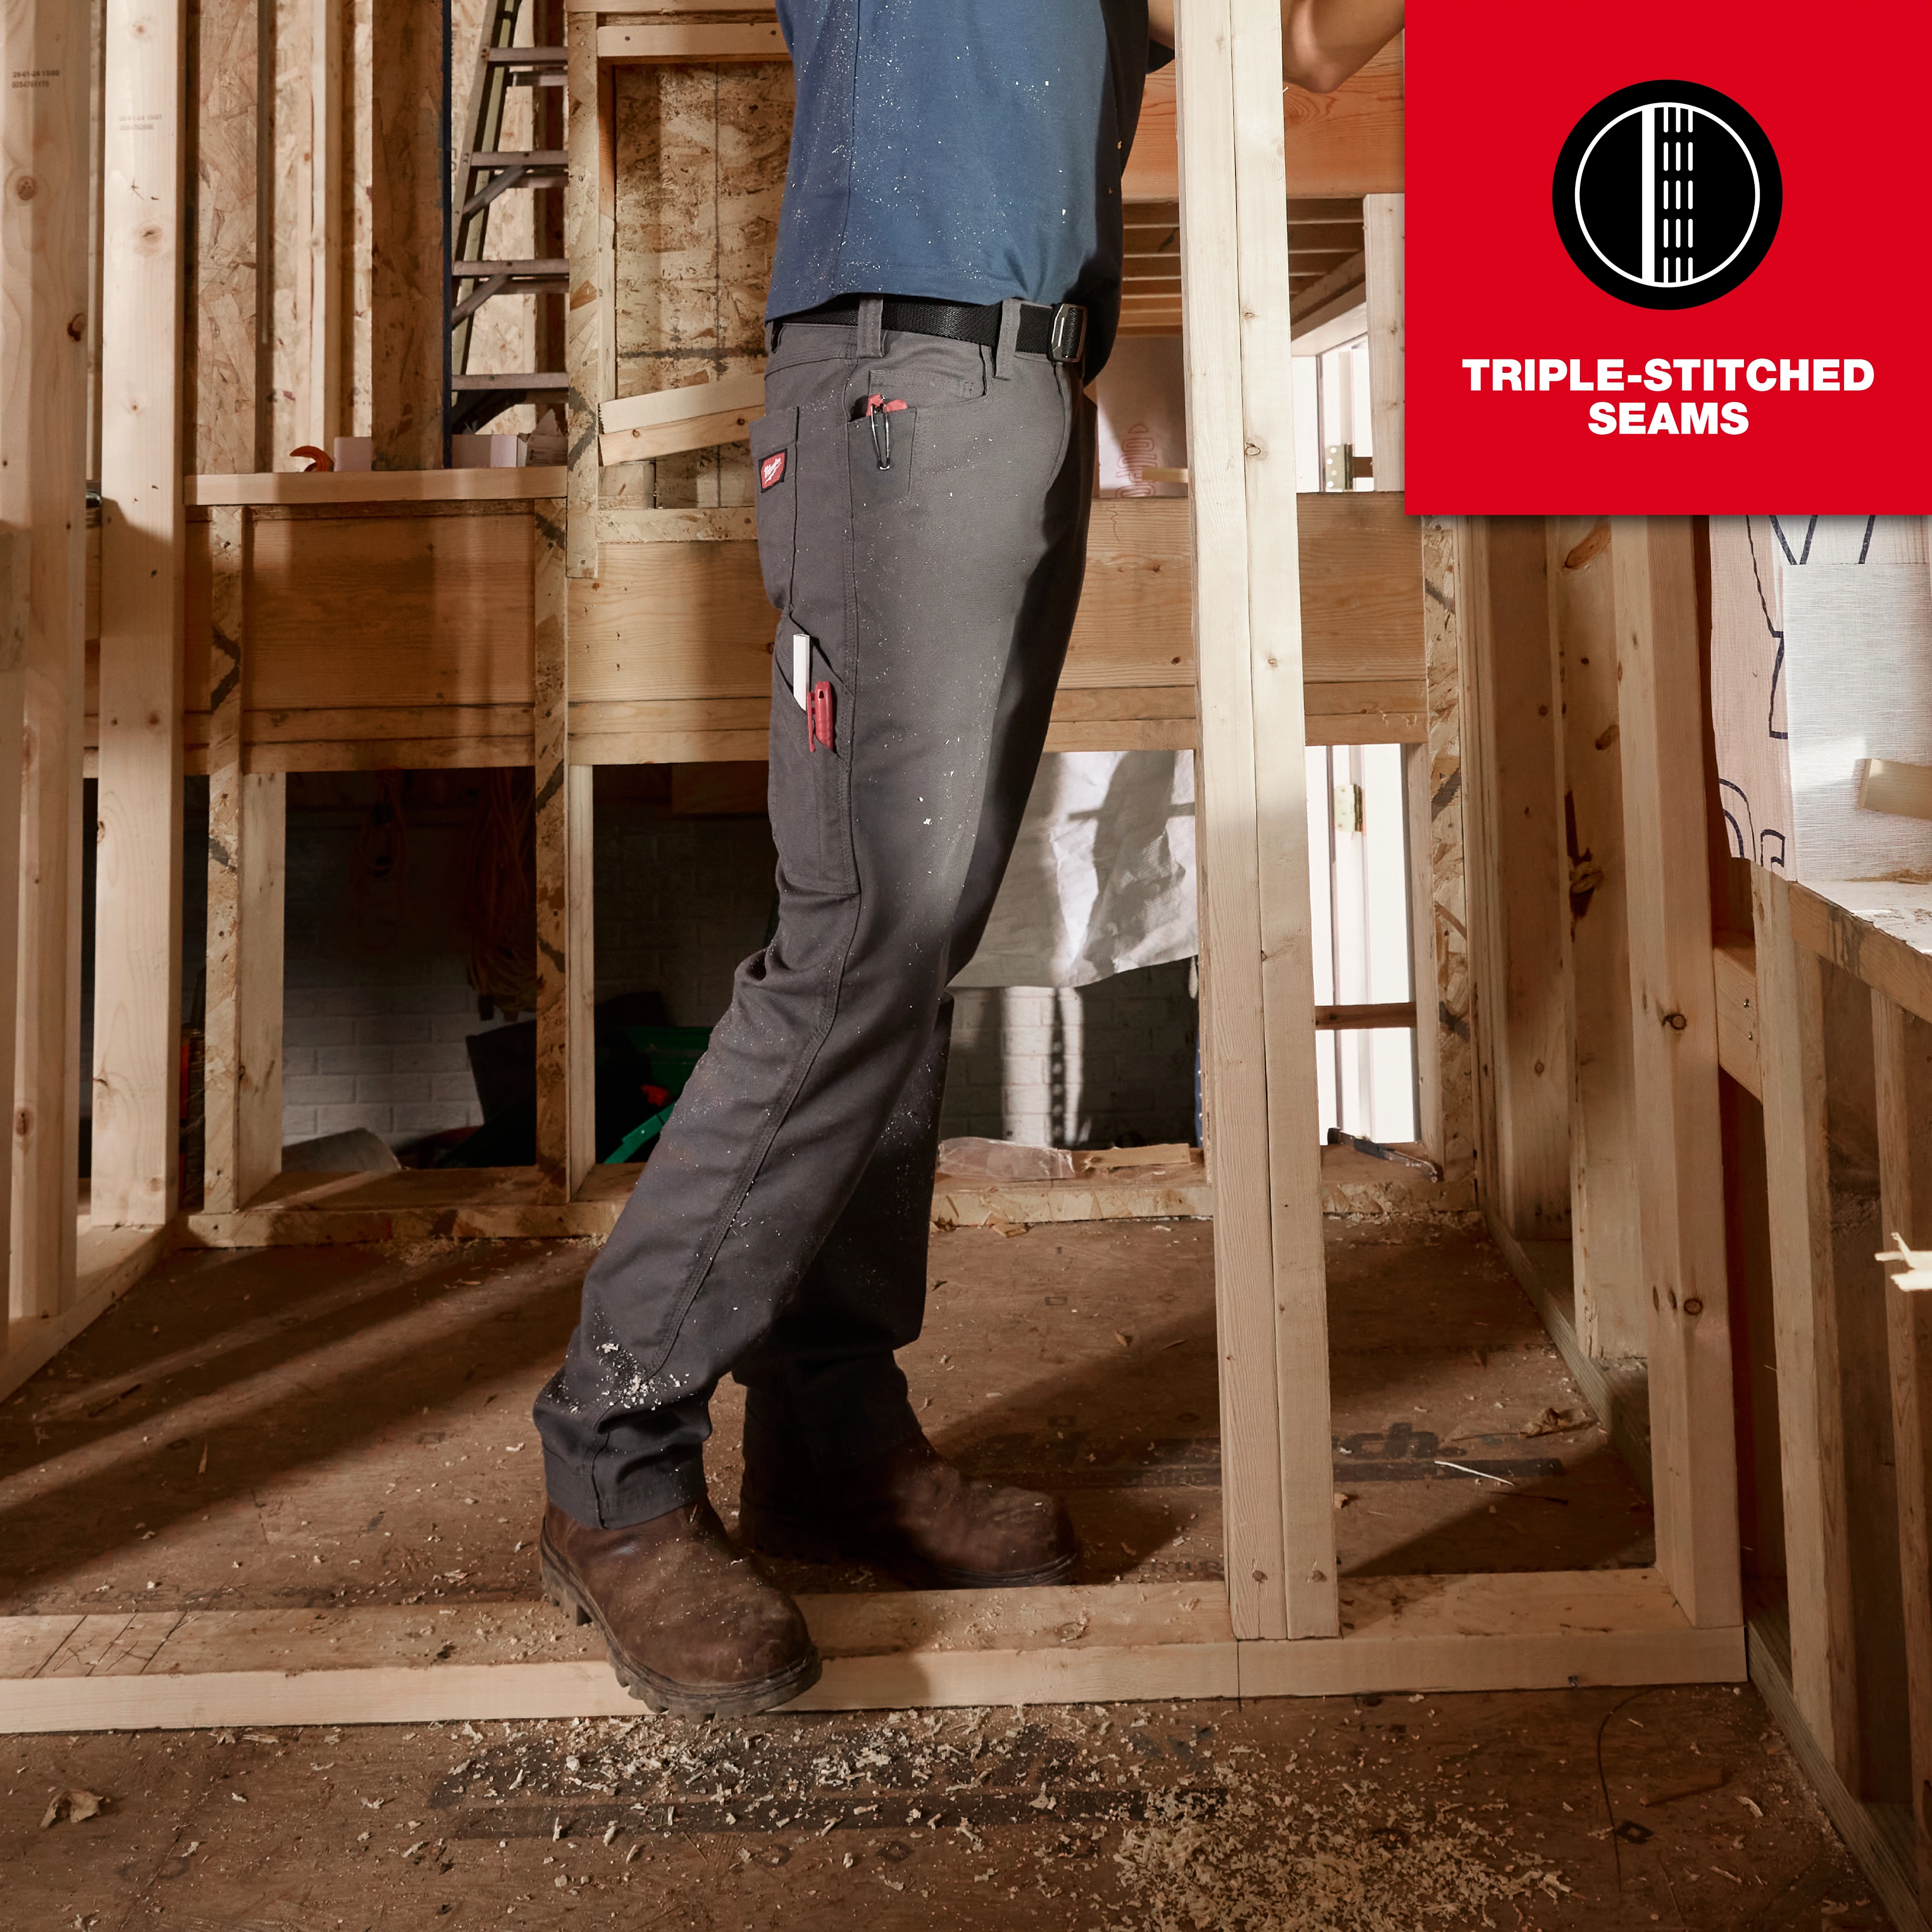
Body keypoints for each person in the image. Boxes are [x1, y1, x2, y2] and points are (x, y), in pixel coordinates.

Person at [532, 0, 1406, 1719]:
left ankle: (831, 1425)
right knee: (863, 936)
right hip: (893, 376)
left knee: (909, 949)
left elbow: (1303, 40)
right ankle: (611, 1463)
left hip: (1023, 383)